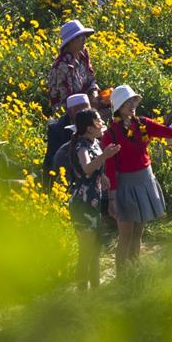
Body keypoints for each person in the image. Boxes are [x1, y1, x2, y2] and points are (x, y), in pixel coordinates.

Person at [102, 85, 172, 273]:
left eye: (133, 101)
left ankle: (134, 271)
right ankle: (122, 278)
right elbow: (110, 168)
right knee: (126, 235)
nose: (132, 105)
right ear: (118, 107)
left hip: (144, 180)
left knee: (138, 232)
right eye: (127, 102)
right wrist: (112, 198)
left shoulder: (143, 124)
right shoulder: (111, 133)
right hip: (125, 185)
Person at [67, 109, 120, 290]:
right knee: (87, 250)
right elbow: (87, 168)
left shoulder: (93, 142)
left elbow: (94, 170)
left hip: (93, 202)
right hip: (83, 203)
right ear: (89, 128)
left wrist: (102, 176)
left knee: (95, 249)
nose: (102, 122)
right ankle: (82, 293)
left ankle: (96, 291)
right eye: (98, 120)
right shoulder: (82, 145)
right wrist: (105, 156)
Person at [47, 20, 99, 114]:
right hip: (67, 110)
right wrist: (88, 103)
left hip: (85, 103)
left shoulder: (83, 55)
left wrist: (94, 93)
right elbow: (67, 99)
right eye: (81, 37)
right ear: (71, 41)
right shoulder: (62, 66)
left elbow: (91, 79)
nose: (85, 39)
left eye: (85, 36)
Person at [43, 93, 91, 191]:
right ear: (69, 112)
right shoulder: (57, 129)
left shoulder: (93, 125)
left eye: (88, 110)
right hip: (65, 176)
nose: (85, 115)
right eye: (81, 111)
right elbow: (51, 160)